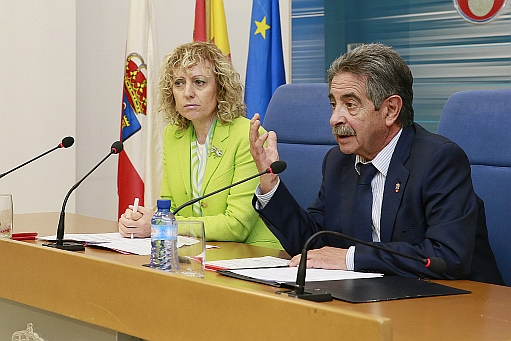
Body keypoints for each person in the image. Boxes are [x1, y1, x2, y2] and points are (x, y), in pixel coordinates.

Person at [249, 43, 503, 283]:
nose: (335, 118)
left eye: (350, 105)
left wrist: (351, 258)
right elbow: (314, 244)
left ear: (391, 110)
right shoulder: (339, 161)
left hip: (460, 306)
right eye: (333, 105)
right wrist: (270, 184)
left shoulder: (439, 161)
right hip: (376, 298)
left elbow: (446, 256)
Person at [119, 42, 281, 250]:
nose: (187, 92)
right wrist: (141, 220)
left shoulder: (247, 135)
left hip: (251, 254)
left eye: (199, 82)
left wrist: (161, 224)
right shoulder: (174, 135)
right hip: (196, 250)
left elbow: (236, 226)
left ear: (220, 88)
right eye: (179, 83)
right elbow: (171, 207)